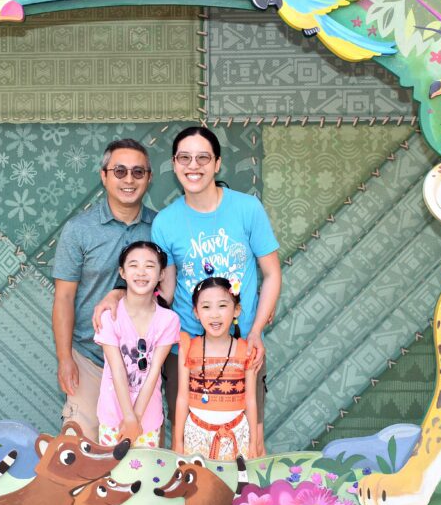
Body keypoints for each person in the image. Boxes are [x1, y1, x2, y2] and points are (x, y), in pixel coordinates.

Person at [95, 126, 280, 455]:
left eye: (202, 157)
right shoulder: (166, 222)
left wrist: (256, 331)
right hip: (185, 352)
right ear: (174, 164)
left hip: (241, 348)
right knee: (188, 444)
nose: (193, 165)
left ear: (217, 163)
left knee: (249, 444)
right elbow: (161, 288)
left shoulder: (247, 209)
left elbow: (272, 274)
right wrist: (118, 294)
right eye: (184, 158)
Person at [52, 138, 155, 440]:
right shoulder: (79, 230)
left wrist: (121, 292)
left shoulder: (160, 229)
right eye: (119, 171)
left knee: (136, 457)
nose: (128, 179)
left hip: (141, 364)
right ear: (104, 176)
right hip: (89, 359)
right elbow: (64, 297)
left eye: (138, 172)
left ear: (149, 178)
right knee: (80, 449)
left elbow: (166, 291)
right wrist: (65, 358)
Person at [94, 241, 180, 447]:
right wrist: (128, 417)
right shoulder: (109, 317)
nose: (141, 272)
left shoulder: (169, 320)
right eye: (133, 265)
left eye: (149, 266)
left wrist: (137, 418)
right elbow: (117, 369)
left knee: (145, 477)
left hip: (147, 420)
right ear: (122, 273)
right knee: (112, 476)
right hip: (113, 416)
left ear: (161, 275)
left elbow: (153, 372)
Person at [175, 277, 257, 460]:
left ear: (236, 310)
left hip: (237, 433)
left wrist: (253, 443)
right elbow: (182, 397)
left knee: (234, 485)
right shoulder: (188, 347)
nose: (214, 314)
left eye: (222, 306)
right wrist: (178, 442)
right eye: (206, 307)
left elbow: (251, 400)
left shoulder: (246, 350)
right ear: (196, 312)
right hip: (195, 434)